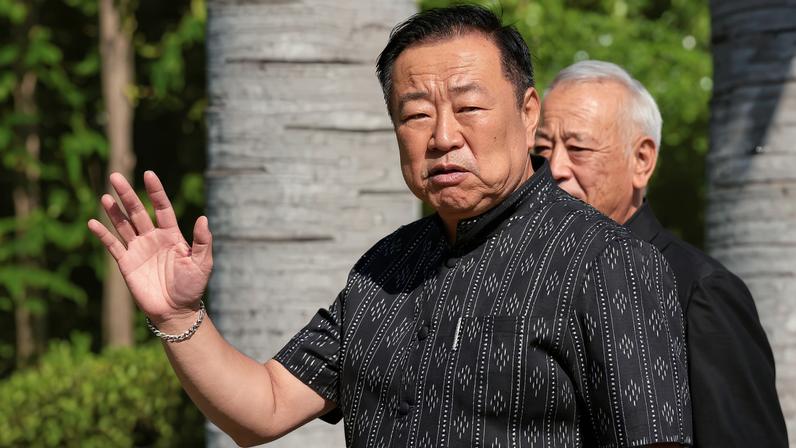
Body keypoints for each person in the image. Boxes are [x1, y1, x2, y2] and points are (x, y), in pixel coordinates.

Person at [89, 7, 692, 447]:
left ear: (527, 111)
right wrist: (176, 317)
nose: (444, 136)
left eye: (469, 106)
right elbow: (265, 406)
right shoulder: (382, 271)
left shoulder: (610, 262)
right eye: (416, 113)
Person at [534, 59, 787, 447]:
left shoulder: (700, 290)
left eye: (578, 148)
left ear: (642, 160)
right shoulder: (529, 274)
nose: (554, 169)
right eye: (542, 149)